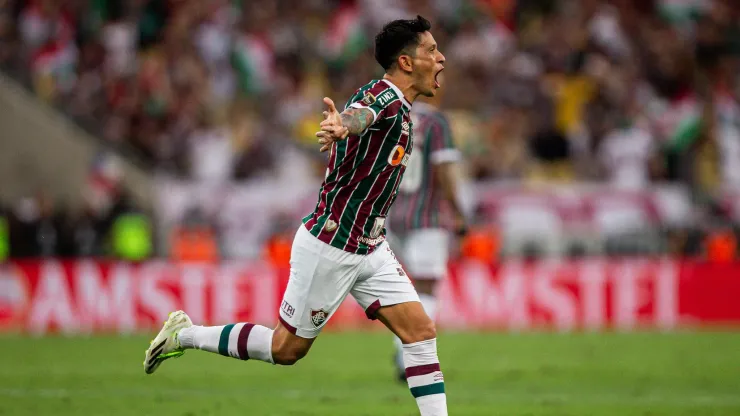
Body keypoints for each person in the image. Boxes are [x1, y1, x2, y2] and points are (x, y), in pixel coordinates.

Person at [143, 15, 449, 416]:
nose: (441, 58)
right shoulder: (386, 98)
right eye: (430, 50)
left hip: (370, 247)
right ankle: (185, 335)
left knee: (421, 331)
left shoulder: (399, 106)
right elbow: (363, 116)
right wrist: (344, 124)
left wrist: (345, 124)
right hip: (333, 244)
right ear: (407, 62)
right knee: (284, 349)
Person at [387, 73, 466, 381]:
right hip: (427, 218)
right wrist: (458, 214)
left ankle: (402, 349)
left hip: (393, 217)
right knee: (427, 286)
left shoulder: (393, 116)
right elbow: (444, 171)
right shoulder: (436, 123)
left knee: (403, 289)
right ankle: (411, 355)